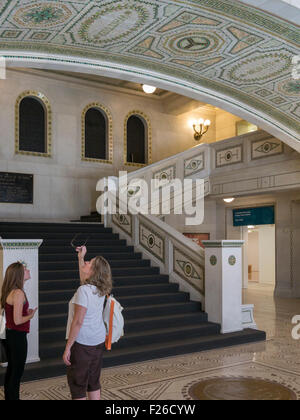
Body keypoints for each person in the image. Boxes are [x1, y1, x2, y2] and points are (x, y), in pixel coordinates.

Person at [63, 247, 112, 400]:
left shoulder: (83, 291)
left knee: (78, 385)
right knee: (93, 381)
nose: (85, 261)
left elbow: (77, 322)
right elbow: (84, 281)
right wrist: (80, 258)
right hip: (97, 340)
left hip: (82, 343)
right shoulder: (98, 289)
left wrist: (68, 347)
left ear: (93, 272)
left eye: (88, 262)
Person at [0, 262, 37, 400]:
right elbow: (17, 321)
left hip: (10, 334)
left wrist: (25, 312)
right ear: (19, 274)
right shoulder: (18, 293)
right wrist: (30, 316)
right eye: (25, 269)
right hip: (16, 336)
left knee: (12, 370)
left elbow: (13, 316)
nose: (27, 270)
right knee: (17, 372)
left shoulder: (11, 291)